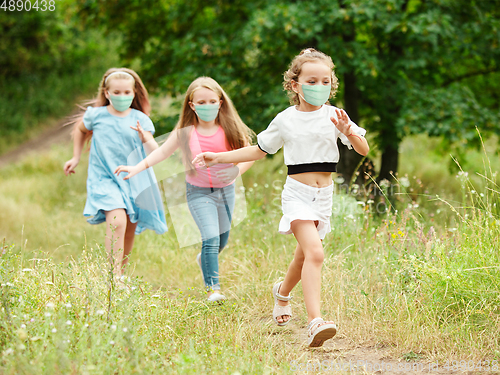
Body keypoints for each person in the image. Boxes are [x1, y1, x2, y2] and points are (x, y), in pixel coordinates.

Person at [192, 49, 369, 347]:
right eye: (312, 80)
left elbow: (363, 149)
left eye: (326, 80)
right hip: (297, 195)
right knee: (315, 253)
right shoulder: (285, 120)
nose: (320, 85)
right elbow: (259, 151)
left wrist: (347, 130)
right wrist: (217, 157)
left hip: (324, 196)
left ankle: (282, 293)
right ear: (295, 85)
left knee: (304, 255)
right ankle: (315, 321)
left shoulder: (335, 115)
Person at [114, 77, 254, 302]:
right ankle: (213, 289)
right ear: (191, 105)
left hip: (226, 192)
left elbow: (250, 154)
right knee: (210, 238)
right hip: (198, 193)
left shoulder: (230, 128)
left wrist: (237, 172)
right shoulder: (185, 132)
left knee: (222, 240)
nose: (206, 106)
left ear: (220, 102)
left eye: (211, 101)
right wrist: (136, 167)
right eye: (201, 102)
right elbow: (161, 153)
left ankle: (204, 260)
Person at [63, 68, 168, 278]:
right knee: (117, 221)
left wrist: (144, 137)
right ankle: (111, 275)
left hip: (134, 178)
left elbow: (155, 152)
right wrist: (76, 157)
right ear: (107, 93)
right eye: (117, 92)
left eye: (127, 92)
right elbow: (80, 130)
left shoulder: (141, 119)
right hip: (104, 177)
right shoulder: (96, 116)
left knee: (129, 227)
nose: (122, 97)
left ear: (134, 93)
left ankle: (119, 274)